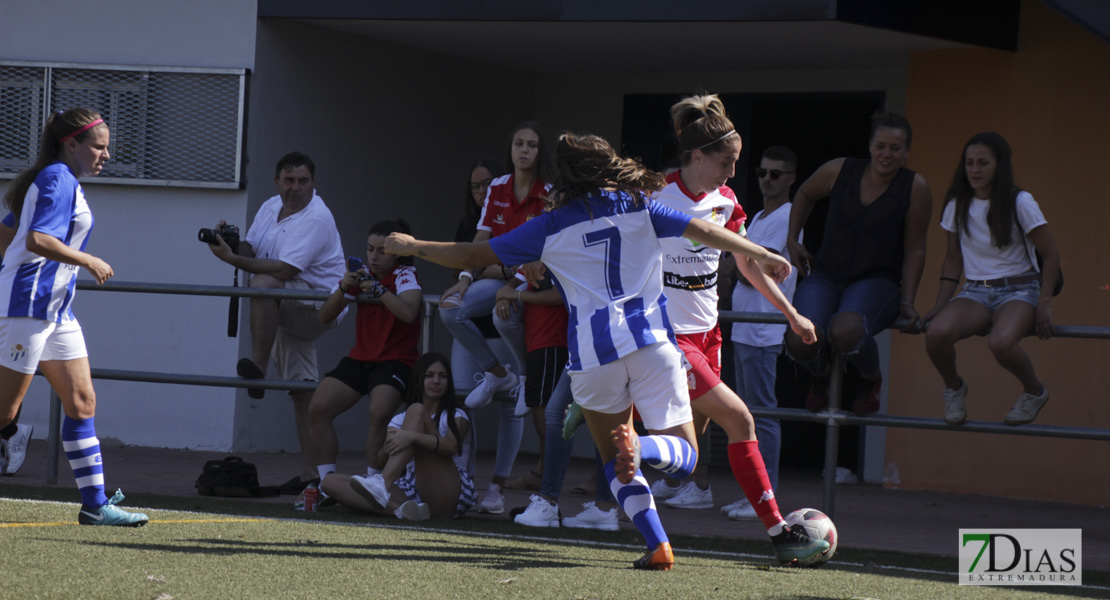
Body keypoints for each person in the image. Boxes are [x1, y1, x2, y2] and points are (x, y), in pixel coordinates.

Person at [384, 132, 830, 570]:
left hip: (592, 359)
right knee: (684, 458)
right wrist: (761, 254)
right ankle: (644, 446)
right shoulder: (639, 205)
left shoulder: (549, 225)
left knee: (616, 465)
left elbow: (471, 255)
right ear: (609, 169)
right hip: (652, 343)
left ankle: (658, 544)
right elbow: (704, 231)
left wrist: (414, 247)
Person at [650, 96, 820, 544]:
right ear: (697, 156)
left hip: (709, 335)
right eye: (726, 162)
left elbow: (747, 266)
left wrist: (791, 313)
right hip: (669, 338)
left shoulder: (726, 201)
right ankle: (779, 529)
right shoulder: (654, 195)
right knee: (741, 421)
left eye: (736, 163)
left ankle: (616, 471)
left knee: (685, 454)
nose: (732, 172)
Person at [0, 108, 147, 525]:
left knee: (82, 403)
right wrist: (88, 260)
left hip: (55, 310)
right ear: (72, 144)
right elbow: (38, 238)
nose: (106, 154)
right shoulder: (57, 178)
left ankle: (95, 505)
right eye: (99, 147)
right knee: (5, 414)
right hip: (28, 307)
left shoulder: (61, 180)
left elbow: (8, 233)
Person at [206, 151, 346, 492]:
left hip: (316, 309)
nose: (295, 188)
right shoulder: (270, 206)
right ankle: (314, 473)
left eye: (303, 181)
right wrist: (232, 243)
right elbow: (253, 249)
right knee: (302, 393)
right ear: (277, 182)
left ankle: (258, 367)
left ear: (313, 183)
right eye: (289, 181)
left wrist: (234, 258)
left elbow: (283, 270)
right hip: (284, 306)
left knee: (264, 283)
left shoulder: (316, 218)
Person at [436, 122, 554, 514]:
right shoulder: (499, 187)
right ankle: (500, 373)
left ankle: (497, 489)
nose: (525, 150)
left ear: (540, 152)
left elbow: (543, 251)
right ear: (511, 148)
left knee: (506, 320)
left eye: (532, 145)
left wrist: (510, 281)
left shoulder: (549, 193)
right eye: (519, 143)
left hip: (528, 284)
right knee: (450, 309)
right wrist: (467, 279)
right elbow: (481, 243)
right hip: (497, 281)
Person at [785, 112, 933, 416]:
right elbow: (805, 193)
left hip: (878, 279)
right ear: (870, 145)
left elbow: (916, 247)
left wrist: (908, 301)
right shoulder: (840, 169)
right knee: (800, 336)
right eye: (881, 146)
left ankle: (870, 378)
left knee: (846, 330)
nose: (886, 154)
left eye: (895, 148)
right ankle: (819, 374)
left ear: (907, 152)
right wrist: (792, 239)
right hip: (826, 272)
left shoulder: (914, 187)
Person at [919, 132, 1059, 426]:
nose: (974, 170)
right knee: (935, 334)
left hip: (1021, 290)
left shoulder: (1020, 201)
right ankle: (954, 388)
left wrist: (1044, 303)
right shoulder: (957, 203)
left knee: (1001, 343)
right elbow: (953, 259)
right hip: (975, 292)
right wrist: (940, 304)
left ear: (999, 165)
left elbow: (1051, 254)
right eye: (969, 163)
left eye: (983, 163)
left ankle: (1034, 392)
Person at [307, 219, 422, 498]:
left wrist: (379, 290)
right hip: (361, 358)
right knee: (318, 408)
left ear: (399, 252)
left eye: (382, 250)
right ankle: (326, 483)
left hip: (397, 361)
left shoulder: (405, 273)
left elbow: (409, 312)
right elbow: (324, 317)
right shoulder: (363, 273)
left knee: (379, 413)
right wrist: (345, 288)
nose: (374, 256)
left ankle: (374, 485)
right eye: (370, 249)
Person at [722, 145, 801, 519]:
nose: (766, 179)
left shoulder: (787, 216)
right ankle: (758, 496)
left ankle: (765, 498)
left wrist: (737, 264)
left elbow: (752, 271)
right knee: (752, 412)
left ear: (791, 179)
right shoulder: (758, 215)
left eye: (775, 174)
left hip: (763, 330)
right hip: (746, 327)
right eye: (761, 173)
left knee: (761, 415)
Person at [327, 353, 476, 520]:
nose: (436, 381)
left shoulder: (457, 414)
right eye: (429, 376)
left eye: (443, 376)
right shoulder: (400, 419)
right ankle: (401, 511)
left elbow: (451, 447)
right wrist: (390, 443)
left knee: (417, 409)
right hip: (412, 489)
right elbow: (382, 461)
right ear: (418, 381)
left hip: (448, 491)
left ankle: (382, 484)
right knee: (329, 482)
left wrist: (413, 437)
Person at [0, 214, 34, 476]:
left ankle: (11, 433)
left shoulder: (43, 198)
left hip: (16, 306)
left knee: (8, 375)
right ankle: (11, 433)